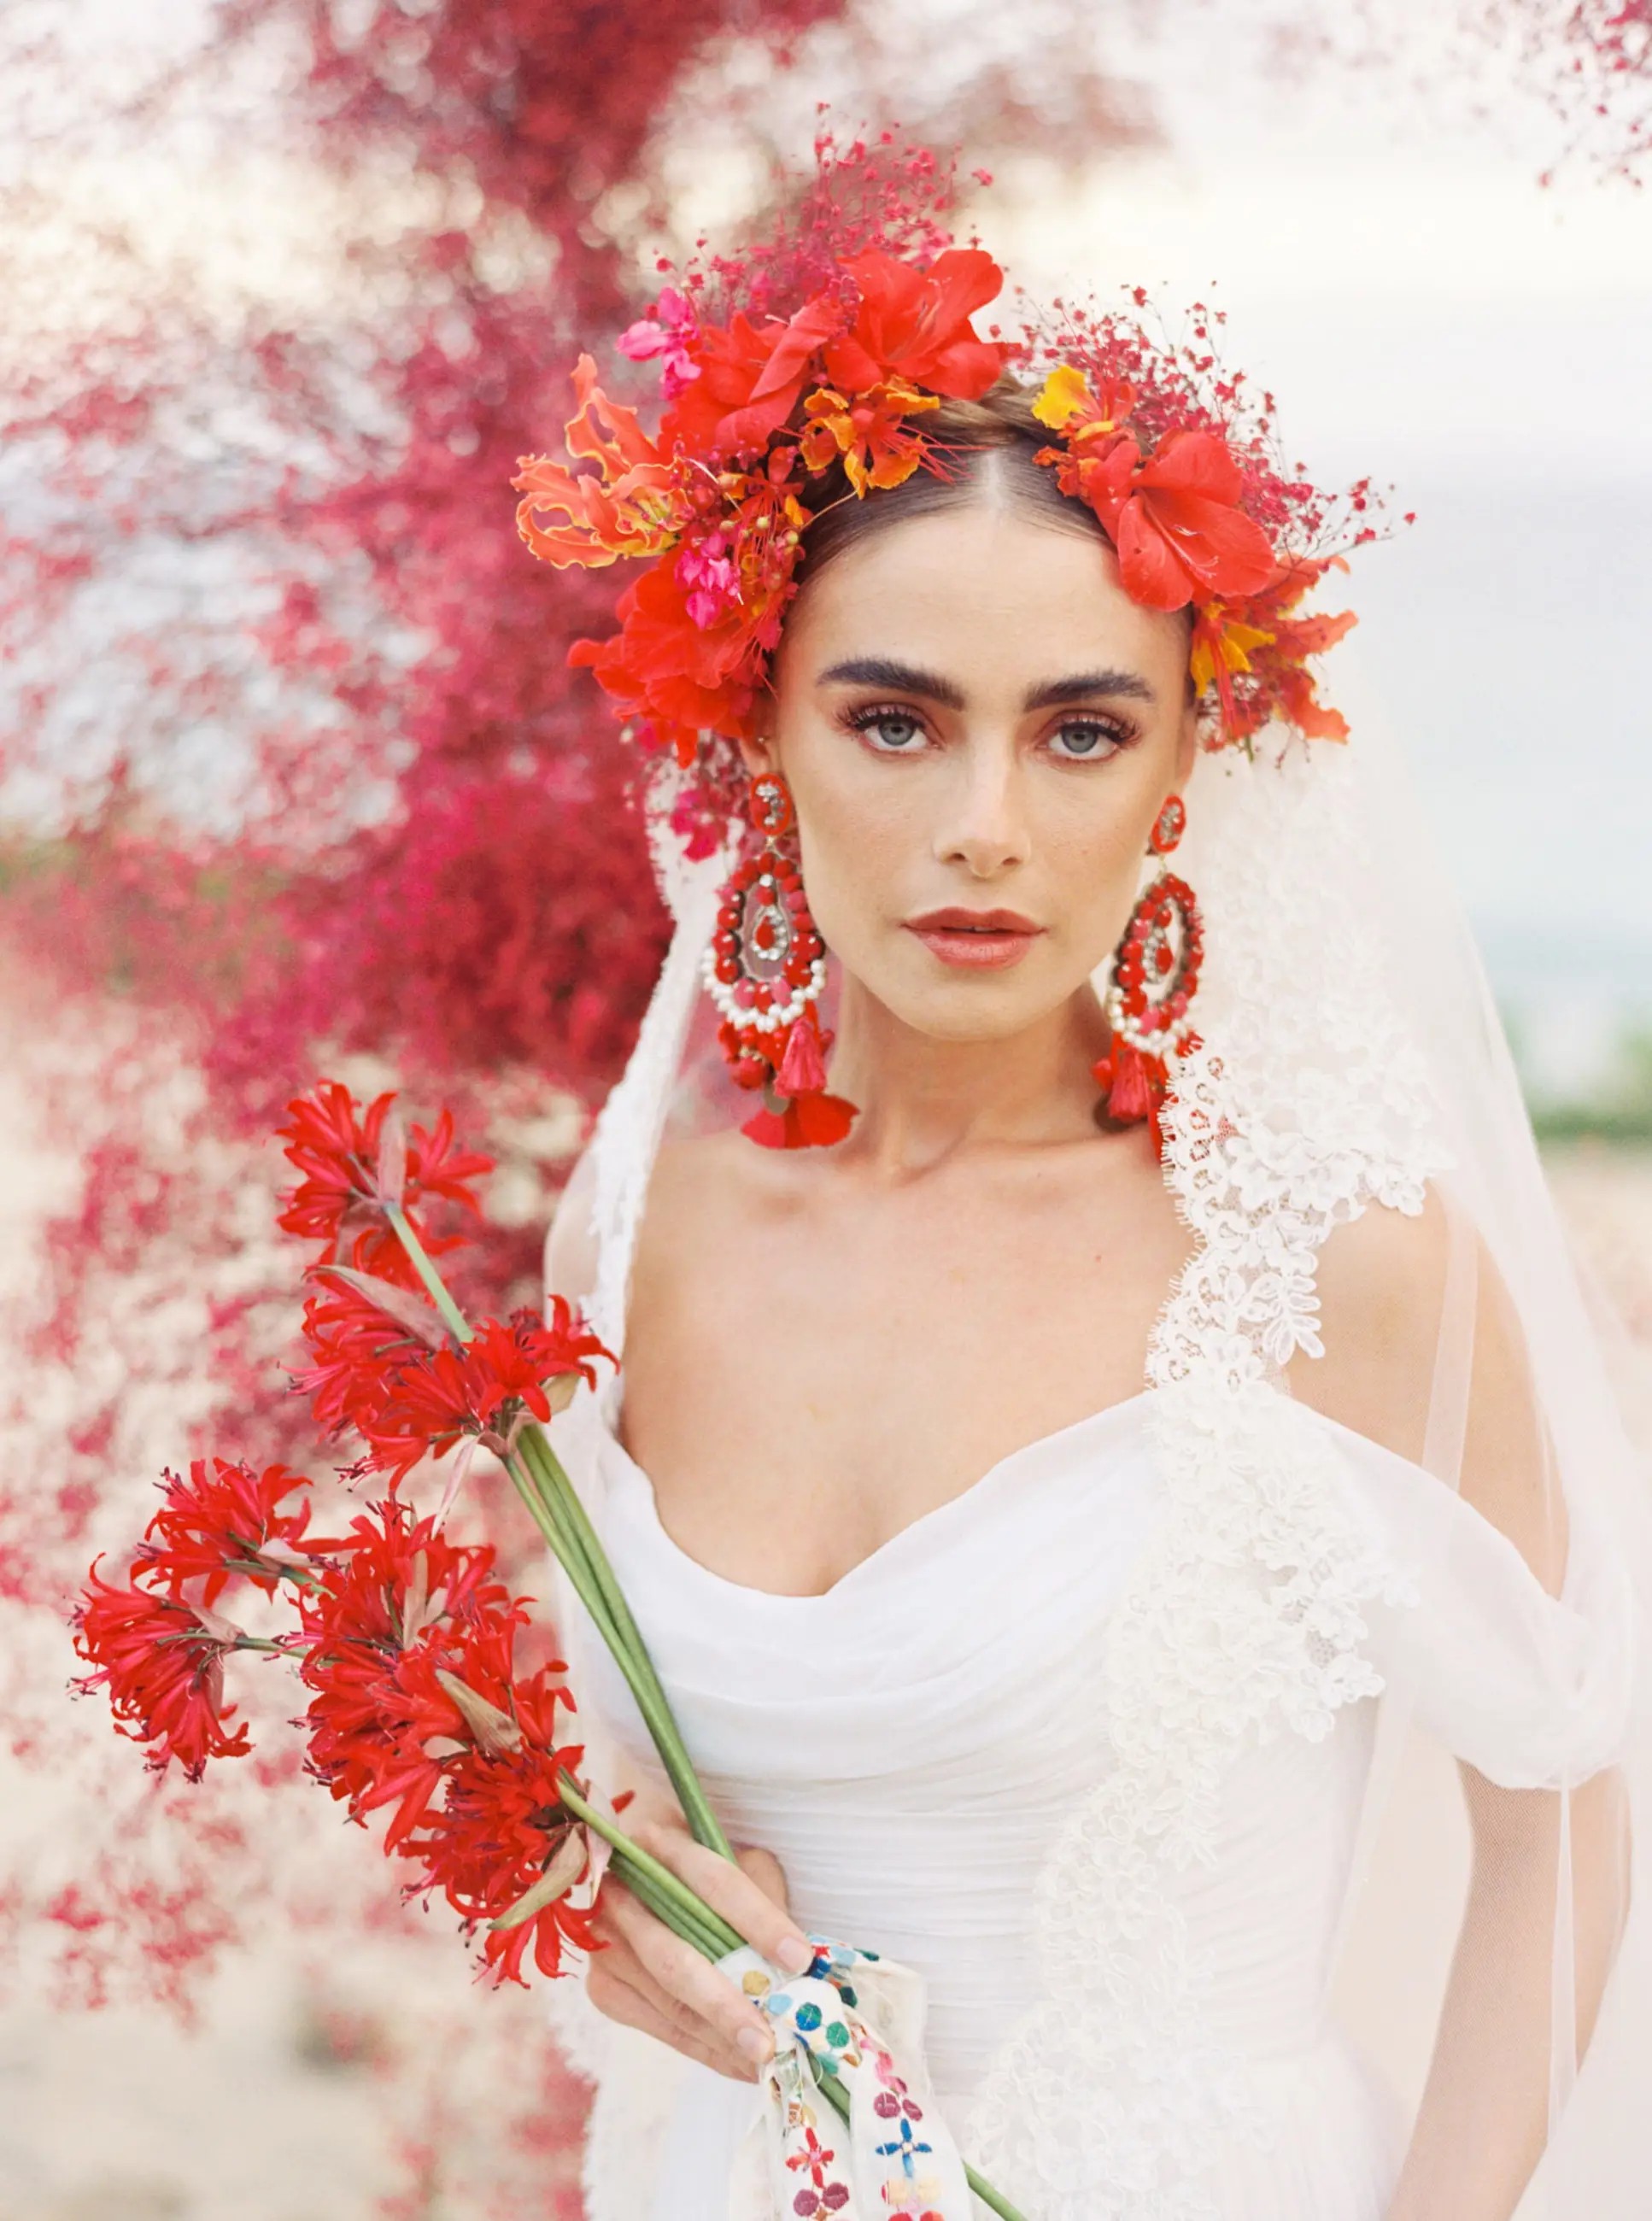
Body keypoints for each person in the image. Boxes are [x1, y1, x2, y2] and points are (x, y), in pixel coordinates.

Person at [519, 148, 1649, 2221]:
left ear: (1179, 768)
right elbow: (630, 1783)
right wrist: (620, 1902)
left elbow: (1572, 1805)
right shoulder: (631, 1233)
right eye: (892, 719)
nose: (982, 825)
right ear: (758, 735)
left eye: (1075, 731)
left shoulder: (1335, 1260)